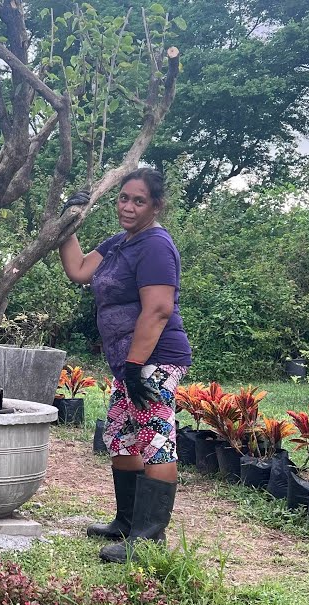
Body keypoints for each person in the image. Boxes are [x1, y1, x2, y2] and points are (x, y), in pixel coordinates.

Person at [57, 168, 193, 563]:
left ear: (155, 205)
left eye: (138, 200)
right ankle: (127, 521)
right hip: (128, 363)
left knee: (155, 440)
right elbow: (79, 270)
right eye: (123, 198)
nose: (128, 207)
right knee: (120, 437)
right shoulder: (120, 243)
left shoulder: (155, 245)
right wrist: (69, 222)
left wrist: (136, 366)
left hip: (154, 359)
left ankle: (148, 539)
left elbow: (158, 308)